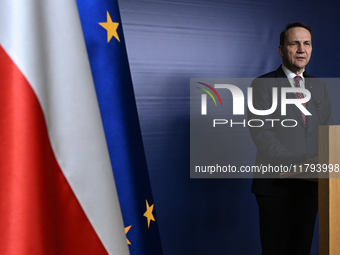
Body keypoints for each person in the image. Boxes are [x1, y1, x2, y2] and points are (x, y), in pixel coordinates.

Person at [248, 22, 333, 255]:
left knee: (301, 250)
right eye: (294, 43)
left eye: (307, 43)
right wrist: (300, 165)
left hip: (310, 189)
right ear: (281, 50)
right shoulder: (262, 85)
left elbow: (327, 132)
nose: (301, 49)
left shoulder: (319, 87)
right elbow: (262, 132)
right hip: (276, 189)